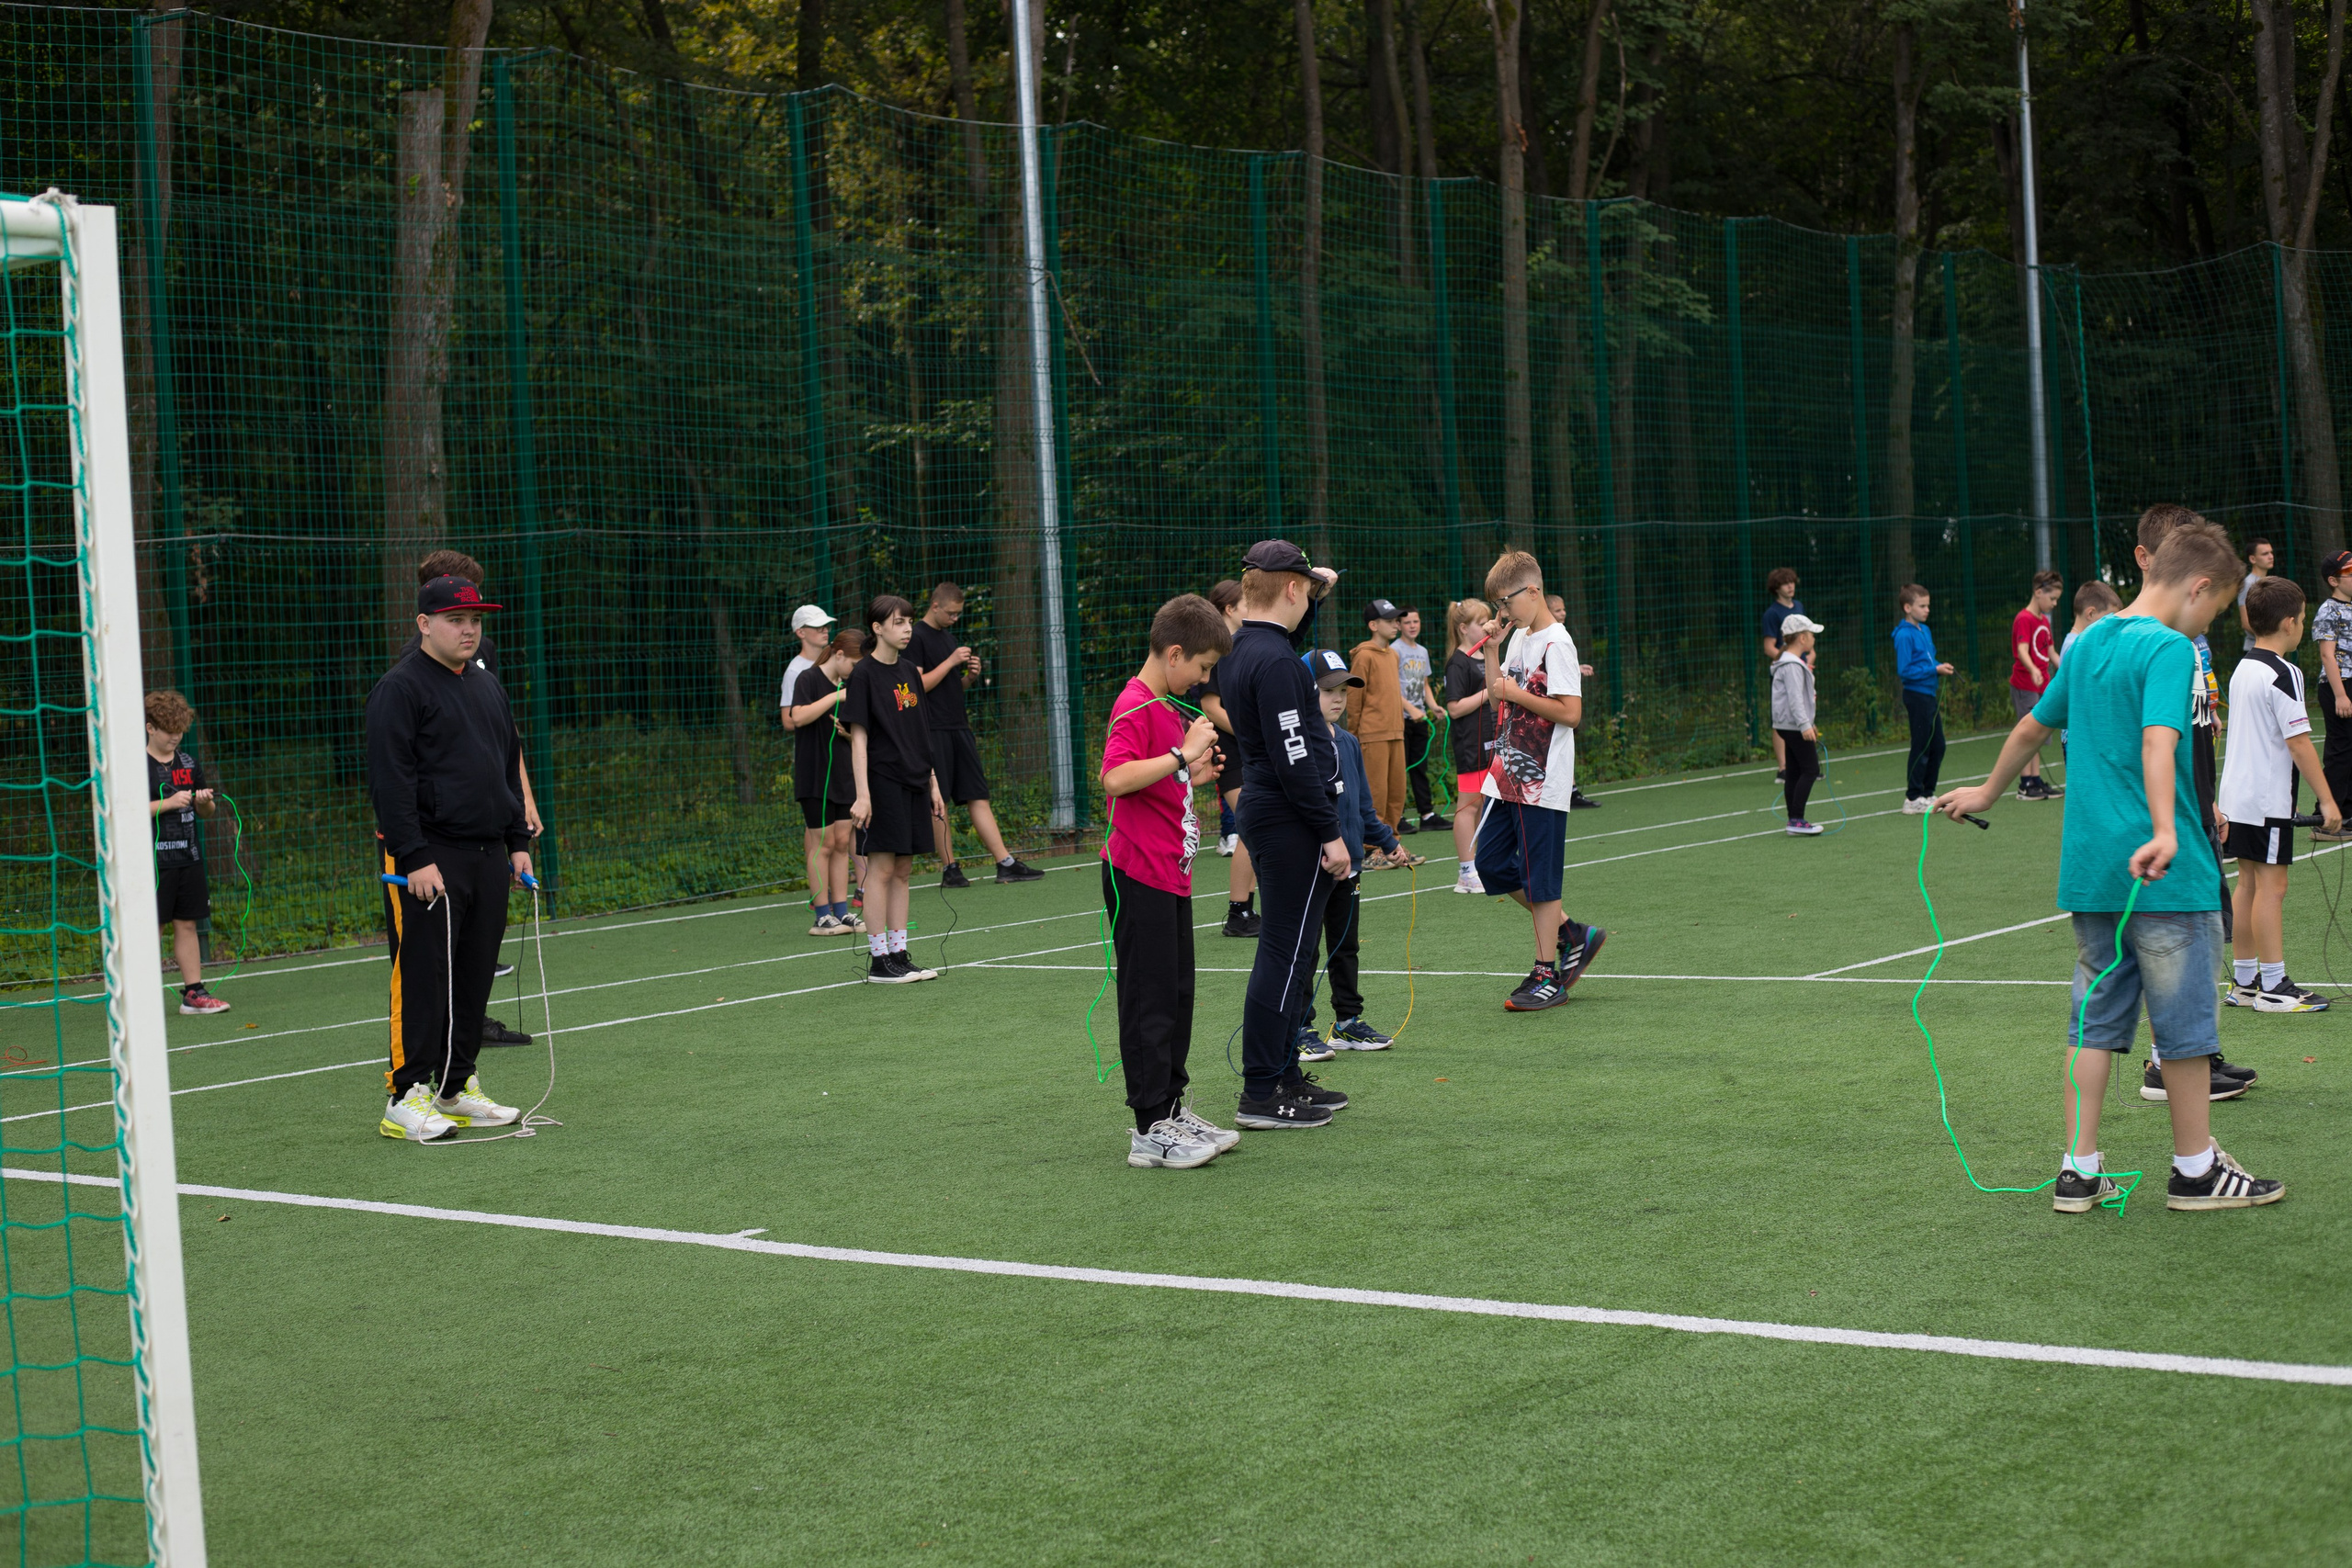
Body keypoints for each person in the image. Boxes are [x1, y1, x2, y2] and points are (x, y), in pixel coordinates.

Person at [1937, 519, 2286, 1213]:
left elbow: (2034, 725)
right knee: (2185, 1032)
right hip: (2166, 876)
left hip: (2094, 875)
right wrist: (2166, 828)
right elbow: (2160, 741)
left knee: (2092, 1025)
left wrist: (1987, 792)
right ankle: (2195, 1171)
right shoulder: (2169, 647)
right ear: (2199, 587)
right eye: (2216, 611)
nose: (2208, 626)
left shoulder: (2091, 638)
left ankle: (2078, 1169)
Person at [367, 574, 533, 1142]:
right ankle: (406, 1095)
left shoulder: (486, 685)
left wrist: (517, 842)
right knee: (424, 975)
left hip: (488, 855)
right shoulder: (400, 688)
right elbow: (390, 780)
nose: (469, 630)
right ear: (424, 624)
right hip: (428, 858)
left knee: (474, 973)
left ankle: (455, 1087)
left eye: (475, 620)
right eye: (456, 619)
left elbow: (504, 766)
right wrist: (413, 855)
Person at [1099, 593, 1238, 1169]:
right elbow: (1115, 777)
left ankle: (1173, 1108)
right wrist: (1182, 757)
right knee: (1149, 999)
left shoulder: (1164, 707)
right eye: (1202, 667)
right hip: (1138, 874)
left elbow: (1152, 781)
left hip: (1170, 874)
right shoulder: (1134, 704)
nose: (1203, 678)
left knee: (1177, 995)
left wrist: (1192, 773)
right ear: (1175, 653)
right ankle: (1148, 1127)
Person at [1218, 540, 1352, 1131]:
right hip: (1290, 817)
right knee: (1284, 951)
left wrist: (1311, 593)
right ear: (1292, 588)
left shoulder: (1247, 647)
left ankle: (1284, 1074)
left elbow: (1285, 633)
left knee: (1295, 951)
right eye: (1304, 590)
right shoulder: (1274, 661)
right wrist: (1329, 832)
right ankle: (1261, 1090)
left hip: (1274, 811)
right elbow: (1294, 755)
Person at [1472, 551, 1607, 1011]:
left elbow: (1571, 713)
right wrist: (1492, 651)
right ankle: (1571, 932)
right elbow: (1498, 701)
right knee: (1490, 863)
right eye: (1498, 605)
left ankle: (1547, 974)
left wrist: (1515, 692)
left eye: (1506, 602)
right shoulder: (1518, 638)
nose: (1503, 612)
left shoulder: (1558, 643)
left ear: (1532, 591)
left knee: (1541, 878)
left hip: (1542, 780)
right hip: (1505, 776)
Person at [2219, 574, 2340, 1017]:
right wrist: (2328, 800)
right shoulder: (2285, 672)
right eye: (2303, 618)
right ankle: (2273, 985)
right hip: (2266, 800)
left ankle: (2245, 982)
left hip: (2237, 797)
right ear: (2290, 623)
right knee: (2272, 887)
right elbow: (2299, 742)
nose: (2303, 625)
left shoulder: (2243, 666)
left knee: (2248, 883)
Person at [1298, 649, 1423, 1056]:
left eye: (1343, 690)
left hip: (1351, 865)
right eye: (1328, 690)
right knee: (1304, 950)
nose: (1338, 698)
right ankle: (1298, 1027)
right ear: (1305, 691)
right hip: (1314, 865)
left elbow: (1363, 807)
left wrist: (1389, 842)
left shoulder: (1349, 743)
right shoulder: (1298, 745)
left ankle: (1347, 1023)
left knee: (1344, 947)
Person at [906, 583, 1044, 887]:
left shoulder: (948, 637)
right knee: (938, 801)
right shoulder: (915, 637)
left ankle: (1005, 863)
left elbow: (948, 688)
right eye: (951, 613)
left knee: (978, 795)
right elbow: (917, 687)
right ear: (935, 606)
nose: (955, 618)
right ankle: (950, 869)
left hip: (959, 727)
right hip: (932, 730)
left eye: (959, 613)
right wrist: (951, 662)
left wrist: (968, 678)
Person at [845, 596, 950, 983]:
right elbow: (859, 739)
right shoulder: (863, 675)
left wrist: (933, 782)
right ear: (877, 628)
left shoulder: (908, 671)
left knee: (903, 870)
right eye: (899, 622)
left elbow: (921, 731)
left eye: (909, 621)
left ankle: (899, 954)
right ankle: (878, 961)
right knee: (882, 868)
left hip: (915, 780)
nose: (907, 629)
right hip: (882, 781)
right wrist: (863, 794)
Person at [143, 690, 230, 1016]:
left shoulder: (189, 763)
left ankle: (194, 993)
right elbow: (125, 811)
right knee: (152, 927)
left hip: (189, 858)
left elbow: (206, 812)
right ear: (150, 728)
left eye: (180, 731)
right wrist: (168, 803)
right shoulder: (137, 765)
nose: (175, 737)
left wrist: (203, 801)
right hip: (153, 863)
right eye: (169, 731)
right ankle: (141, 997)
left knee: (188, 924)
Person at [788, 629, 865, 937]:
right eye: (854, 664)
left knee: (841, 843)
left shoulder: (850, 686)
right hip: (815, 776)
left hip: (843, 775)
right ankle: (821, 915)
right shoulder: (808, 679)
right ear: (839, 654)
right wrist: (835, 696)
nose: (855, 672)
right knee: (822, 843)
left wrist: (847, 734)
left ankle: (841, 911)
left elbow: (858, 732)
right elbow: (797, 717)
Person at [1199, 580, 1262, 934]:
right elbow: (1211, 707)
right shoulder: (1217, 650)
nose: (1251, 608)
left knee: (1257, 826)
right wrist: (1248, 731)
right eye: (1245, 603)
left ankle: (1246, 910)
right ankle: (1238, 913)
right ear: (1228, 608)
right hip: (1229, 752)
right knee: (1252, 825)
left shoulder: (1244, 646)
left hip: (1248, 750)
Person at [780, 603, 840, 920]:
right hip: (814, 763)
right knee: (821, 840)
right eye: (817, 627)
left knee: (839, 840)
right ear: (800, 633)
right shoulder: (797, 671)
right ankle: (821, 905)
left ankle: (838, 904)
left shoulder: (835, 664)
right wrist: (827, 704)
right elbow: (790, 720)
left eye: (826, 625)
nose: (825, 631)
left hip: (837, 763)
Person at [1442, 598, 1497, 894]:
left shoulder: (1485, 655)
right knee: (1468, 806)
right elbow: (1454, 708)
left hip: (1491, 740)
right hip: (1470, 745)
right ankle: (1465, 871)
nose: (1488, 626)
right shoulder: (1458, 662)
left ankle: (1477, 865)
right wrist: (1490, 692)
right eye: (1481, 622)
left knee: (1483, 805)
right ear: (1464, 628)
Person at [1347, 598, 1409, 845]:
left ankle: (1391, 844)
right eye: (1389, 620)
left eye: (1397, 620)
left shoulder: (1393, 654)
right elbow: (1354, 699)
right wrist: (1354, 736)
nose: (1396, 624)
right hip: (1372, 735)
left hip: (1396, 733)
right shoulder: (1363, 656)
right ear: (1373, 625)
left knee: (1396, 793)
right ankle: (1372, 846)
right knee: (1376, 794)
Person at [1891, 584, 1953, 812]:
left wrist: (1939, 666)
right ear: (1908, 608)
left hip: (1929, 694)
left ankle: (1927, 793)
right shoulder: (1904, 635)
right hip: (1916, 696)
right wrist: (1934, 670)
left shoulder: (1924, 630)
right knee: (1921, 745)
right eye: (1922, 606)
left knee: (1938, 745)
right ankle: (1912, 797)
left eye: (1928, 605)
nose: (1927, 610)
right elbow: (1905, 671)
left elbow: (1928, 660)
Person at [1544, 593, 1604, 809]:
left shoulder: (1561, 635)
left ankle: (1571, 790)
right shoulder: (1548, 637)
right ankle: (1561, 791)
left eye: (1564, 609)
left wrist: (1577, 669)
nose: (1563, 613)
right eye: (1558, 610)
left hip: (1566, 701)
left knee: (1566, 744)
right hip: (1552, 705)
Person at [1769, 616, 1827, 836]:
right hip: (1794, 726)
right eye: (1811, 635)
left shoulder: (1790, 663)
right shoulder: (1792, 665)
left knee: (1794, 771)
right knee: (1811, 769)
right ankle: (1796, 819)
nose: (1813, 639)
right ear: (1802, 638)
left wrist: (1809, 722)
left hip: (1788, 725)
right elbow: (1795, 699)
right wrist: (1805, 725)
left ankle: (1794, 819)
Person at [2009, 570, 2064, 799]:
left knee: (2038, 733)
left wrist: (2068, 670)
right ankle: (2025, 784)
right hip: (2025, 686)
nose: (2054, 603)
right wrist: (2032, 669)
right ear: (2038, 592)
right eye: (2052, 598)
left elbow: (2051, 652)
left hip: (2042, 686)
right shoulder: (2024, 619)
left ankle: (2036, 779)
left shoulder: (2044, 621)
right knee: (2028, 734)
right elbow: (2022, 650)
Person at [2311, 549, 2352, 840]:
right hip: (2339, 686)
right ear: (2333, 581)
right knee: (2340, 752)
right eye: (2349, 572)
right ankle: (2326, 820)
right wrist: (2341, 695)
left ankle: (2346, 816)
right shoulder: (2329, 610)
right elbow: (2327, 655)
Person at [1394, 607, 1442, 835]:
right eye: (1407, 622)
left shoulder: (1422, 651)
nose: (1412, 626)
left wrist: (1433, 706)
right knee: (1399, 769)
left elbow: (1425, 685)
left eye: (1416, 621)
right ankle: (1397, 816)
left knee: (1420, 767)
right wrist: (1410, 709)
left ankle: (1427, 815)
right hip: (1401, 719)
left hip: (1420, 718)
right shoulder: (1394, 650)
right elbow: (1391, 687)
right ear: (1398, 625)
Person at [1760, 568, 1805, 778]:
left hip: (1802, 670)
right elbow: (1769, 648)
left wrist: (1809, 658)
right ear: (1776, 588)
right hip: (1784, 673)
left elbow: (1805, 639)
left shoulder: (1799, 607)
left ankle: (1805, 764)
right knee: (1782, 719)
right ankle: (1783, 768)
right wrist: (1788, 658)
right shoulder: (1772, 614)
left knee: (1804, 713)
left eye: (1792, 582)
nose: (1790, 586)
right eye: (1785, 583)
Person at [2237, 536, 2274, 652]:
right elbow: (2246, 623)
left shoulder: (2270, 582)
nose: (2271, 556)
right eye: (2265, 554)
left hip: (2271, 648)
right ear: (2252, 559)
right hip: (2255, 649)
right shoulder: (2248, 584)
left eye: (2271, 552)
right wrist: (2271, 637)